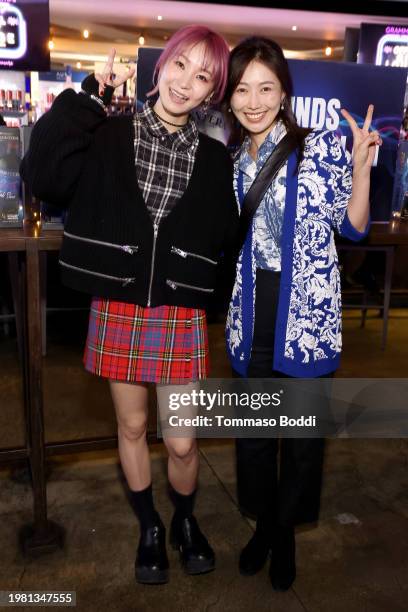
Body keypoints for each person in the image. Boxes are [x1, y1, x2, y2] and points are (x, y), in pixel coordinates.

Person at [20, 25, 238, 585]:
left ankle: (185, 519)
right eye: (181, 66)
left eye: (203, 76)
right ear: (161, 64)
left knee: (184, 440)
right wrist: (89, 95)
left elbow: (223, 237)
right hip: (119, 304)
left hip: (178, 310)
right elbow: (41, 171)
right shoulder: (109, 134)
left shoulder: (214, 157)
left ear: (212, 92)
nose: (186, 83)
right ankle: (150, 527)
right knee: (133, 426)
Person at [223, 36, 381, 591]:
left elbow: (355, 227)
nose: (255, 100)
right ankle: (264, 524)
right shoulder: (229, 159)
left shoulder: (319, 148)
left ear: (285, 91)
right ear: (230, 96)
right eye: (243, 88)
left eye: (266, 87)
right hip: (252, 315)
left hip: (308, 318)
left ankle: (285, 531)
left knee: (304, 438)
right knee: (258, 436)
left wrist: (362, 166)